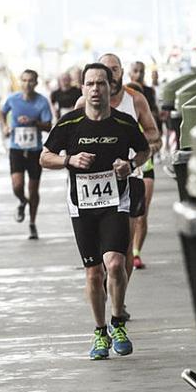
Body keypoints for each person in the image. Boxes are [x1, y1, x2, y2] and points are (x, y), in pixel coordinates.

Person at [41, 62, 150, 360]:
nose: (95, 89)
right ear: (82, 88)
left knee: (115, 263)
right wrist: (69, 161)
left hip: (116, 201)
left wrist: (131, 165)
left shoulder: (125, 123)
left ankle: (118, 322)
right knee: (93, 273)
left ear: (110, 87)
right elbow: (44, 157)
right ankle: (100, 330)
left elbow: (144, 150)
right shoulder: (69, 123)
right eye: (90, 84)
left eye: (101, 83)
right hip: (82, 205)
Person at [74, 54, 161, 289]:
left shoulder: (135, 100)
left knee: (123, 247)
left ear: (121, 72)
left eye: (114, 69)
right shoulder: (83, 103)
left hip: (130, 179)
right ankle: (105, 286)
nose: (110, 75)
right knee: (102, 248)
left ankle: (118, 301)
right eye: (105, 70)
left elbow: (154, 136)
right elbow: (72, 141)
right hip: (93, 185)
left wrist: (136, 155)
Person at [0, 70, 52, 240]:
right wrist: (5, 127)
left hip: (35, 150)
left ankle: (32, 223)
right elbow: (2, 112)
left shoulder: (42, 101)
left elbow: (49, 125)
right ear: (20, 82)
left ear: (36, 83)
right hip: (16, 149)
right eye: (24, 80)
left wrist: (34, 122)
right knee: (17, 185)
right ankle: (22, 201)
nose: (27, 84)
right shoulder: (13, 99)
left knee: (33, 189)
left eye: (30, 81)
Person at [125, 61, 160, 270]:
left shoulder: (146, 117)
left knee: (142, 213)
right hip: (125, 171)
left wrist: (150, 149)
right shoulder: (120, 120)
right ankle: (128, 249)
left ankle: (136, 252)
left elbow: (157, 138)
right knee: (127, 217)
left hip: (145, 168)